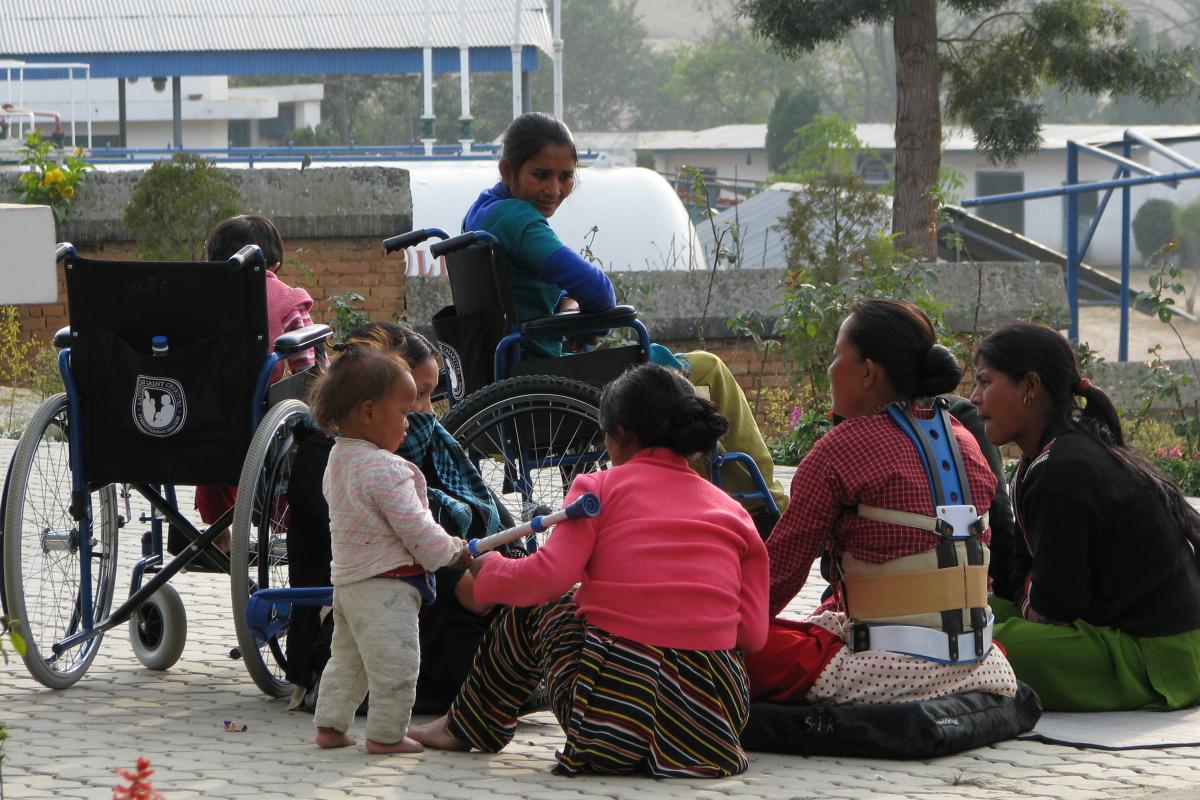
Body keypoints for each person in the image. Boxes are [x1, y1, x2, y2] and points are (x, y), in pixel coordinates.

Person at [410, 363, 769, 778]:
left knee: (548, 600)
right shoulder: (735, 513)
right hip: (711, 729)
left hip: (612, 725)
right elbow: (753, 635)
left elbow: (547, 577)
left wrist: (488, 569)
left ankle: (466, 725)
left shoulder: (597, 489)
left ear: (620, 436)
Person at [746, 299, 1017, 705]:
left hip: (886, 668)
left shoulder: (840, 449)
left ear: (869, 372)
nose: (831, 369)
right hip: (979, 661)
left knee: (725, 650)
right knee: (827, 615)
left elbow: (775, 583)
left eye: (838, 356)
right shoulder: (964, 438)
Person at [286, 322, 515, 715]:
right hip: (360, 610)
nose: (424, 411)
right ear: (370, 404)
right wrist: (457, 574)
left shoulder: (414, 440)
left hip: (423, 597)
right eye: (416, 397)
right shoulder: (329, 457)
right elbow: (398, 532)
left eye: (427, 395)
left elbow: (491, 517)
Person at [972, 322, 1200, 711]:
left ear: (1029, 387)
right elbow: (1030, 585)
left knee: (979, 646)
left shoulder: (1065, 468)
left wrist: (1029, 604)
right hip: (1108, 630)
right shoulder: (1042, 461)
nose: (975, 398)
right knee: (971, 617)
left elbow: (1059, 603)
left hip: (1155, 654)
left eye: (985, 382)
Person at [306, 330, 472, 753]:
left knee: (348, 661)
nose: (409, 422)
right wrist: (452, 551)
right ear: (367, 413)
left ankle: (330, 725)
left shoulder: (338, 460)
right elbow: (417, 529)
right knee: (397, 665)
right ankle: (386, 734)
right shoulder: (387, 470)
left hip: (347, 585)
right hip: (387, 588)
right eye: (402, 413)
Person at [176, 214, 318, 558]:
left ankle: (219, 530)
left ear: (213, 259)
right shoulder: (286, 299)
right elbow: (308, 370)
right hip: (255, 424)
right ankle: (283, 517)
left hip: (189, 421)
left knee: (217, 430)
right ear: (277, 262)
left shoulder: (190, 297)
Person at [462, 111, 615, 358]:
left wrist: (568, 302)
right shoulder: (518, 222)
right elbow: (599, 291)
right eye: (541, 175)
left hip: (510, 363)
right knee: (698, 363)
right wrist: (588, 329)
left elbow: (522, 290)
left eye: (565, 176)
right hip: (539, 367)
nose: (554, 190)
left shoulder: (481, 212)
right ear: (507, 171)